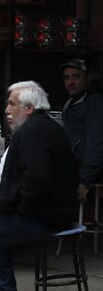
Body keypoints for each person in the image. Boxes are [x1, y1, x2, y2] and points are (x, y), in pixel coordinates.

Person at [0, 81, 78, 291]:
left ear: (29, 108)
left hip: (45, 218)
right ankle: (5, 288)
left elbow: (36, 181)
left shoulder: (34, 132)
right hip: (54, 213)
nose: (7, 110)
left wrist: (21, 211)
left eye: (12, 104)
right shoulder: (45, 126)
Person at [60, 59, 103, 203]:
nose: (71, 82)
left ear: (87, 78)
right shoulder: (73, 102)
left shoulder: (94, 103)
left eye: (76, 76)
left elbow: (97, 144)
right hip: (77, 173)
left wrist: (85, 181)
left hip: (93, 178)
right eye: (67, 77)